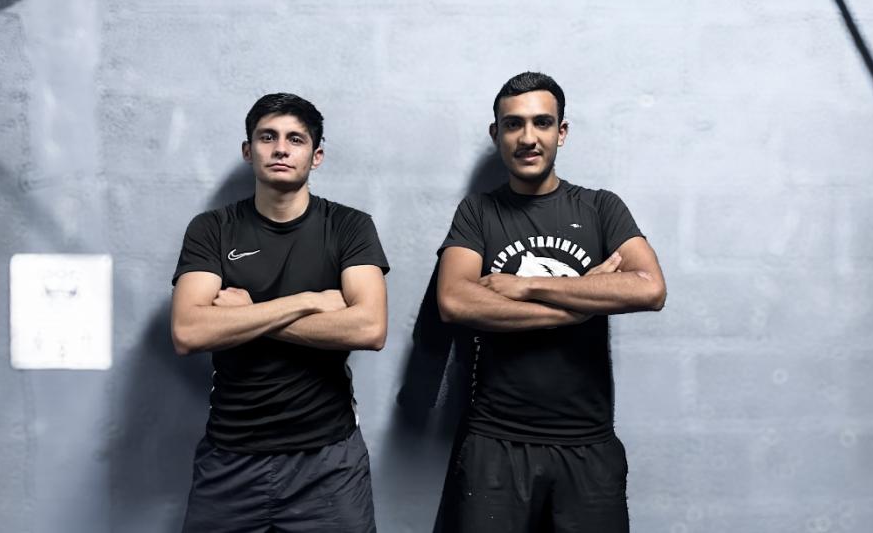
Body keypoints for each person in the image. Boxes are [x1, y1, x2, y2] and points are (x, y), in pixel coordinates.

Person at [434, 72, 666, 532]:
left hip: (588, 444)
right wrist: (582, 304)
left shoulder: (601, 207)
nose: (528, 137)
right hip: (496, 443)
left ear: (561, 132)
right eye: (513, 124)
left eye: (542, 122)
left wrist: (528, 286)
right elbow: (455, 301)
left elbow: (648, 288)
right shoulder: (478, 211)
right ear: (496, 134)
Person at [170, 93, 389, 532]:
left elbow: (369, 327)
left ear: (316, 155)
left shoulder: (349, 226)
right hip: (231, 456)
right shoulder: (212, 229)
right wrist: (307, 301)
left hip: (328, 461)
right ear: (248, 151)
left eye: (296, 139)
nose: (281, 149)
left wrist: (249, 316)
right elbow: (189, 331)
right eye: (267, 137)